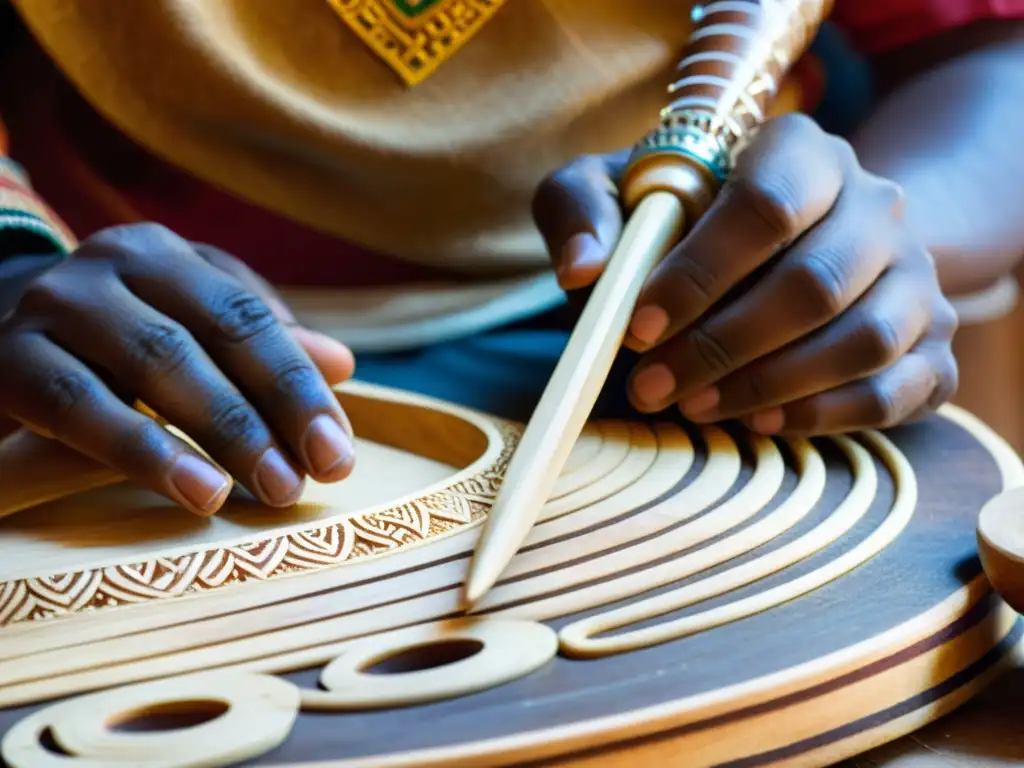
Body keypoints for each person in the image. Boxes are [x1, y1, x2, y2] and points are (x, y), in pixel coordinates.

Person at [0, 1, 1021, 518]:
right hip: (121, 351)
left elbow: (987, 49)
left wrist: (876, 244)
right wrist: (12, 264)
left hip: (698, 333)